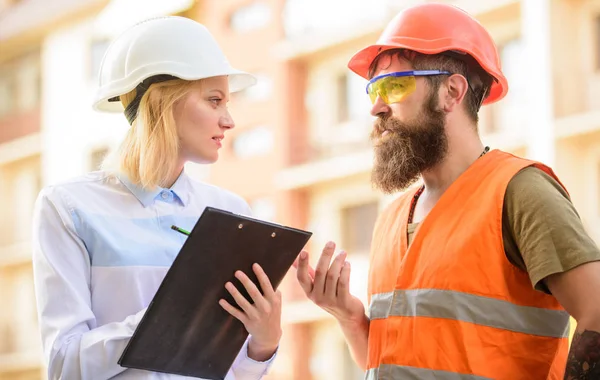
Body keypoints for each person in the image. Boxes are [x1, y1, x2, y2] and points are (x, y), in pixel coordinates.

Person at [295, 3, 600, 379]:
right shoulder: (391, 219)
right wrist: (349, 316)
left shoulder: (519, 192)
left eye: (395, 84)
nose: (376, 107)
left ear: (451, 92)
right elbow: (396, 362)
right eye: (373, 89)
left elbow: (598, 313)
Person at [32, 16, 281, 380]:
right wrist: (164, 319)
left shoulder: (231, 212)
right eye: (214, 100)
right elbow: (63, 364)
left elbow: (230, 371)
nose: (229, 120)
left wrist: (264, 343)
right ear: (164, 102)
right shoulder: (69, 209)